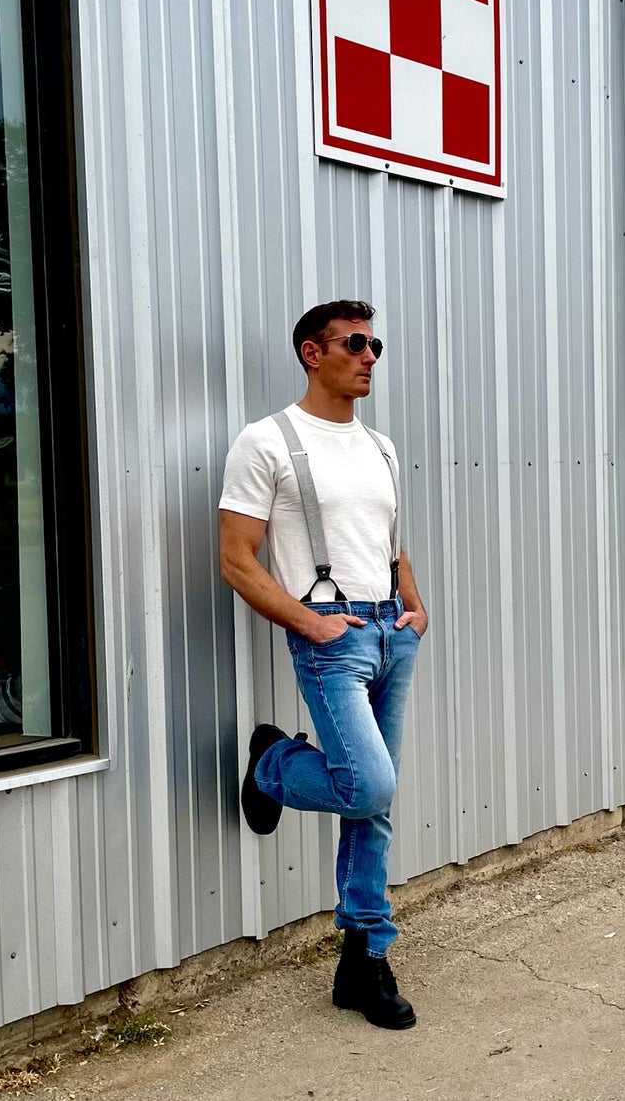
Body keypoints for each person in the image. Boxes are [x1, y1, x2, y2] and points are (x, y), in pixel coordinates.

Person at [219, 299, 429, 1030]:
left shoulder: (382, 445)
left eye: (376, 343)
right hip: (329, 634)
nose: (370, 355)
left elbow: (389, 538)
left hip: (390, 631)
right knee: (368, 783)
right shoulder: (267, 440)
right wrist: (311, 622)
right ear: (314, 352)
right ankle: (271, 763)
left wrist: (414, 605)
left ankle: (363, 958)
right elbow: (236, 559)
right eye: (356, 343)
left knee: (374, 806)